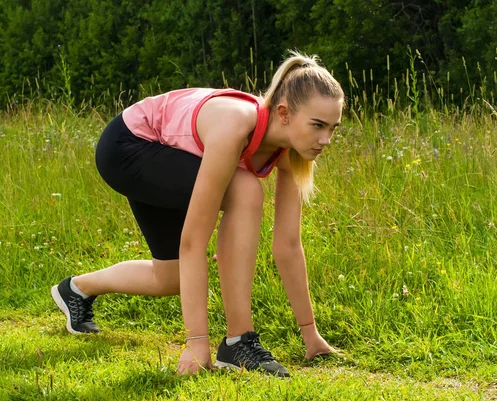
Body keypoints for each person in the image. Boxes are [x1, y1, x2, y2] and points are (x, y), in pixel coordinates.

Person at [51, 50, 345, 378]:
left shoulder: (295, 152)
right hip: (128, 147)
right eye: (318, 125)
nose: (326, 140)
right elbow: (194, 241)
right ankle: (238, 342)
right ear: (284, 113)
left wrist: (311, 334)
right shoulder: (234, 125)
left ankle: (76, 289)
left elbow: (288, 246)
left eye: (333, 128)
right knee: (246, 189)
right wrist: (196, 343)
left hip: (164, 152)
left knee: (170, 277)